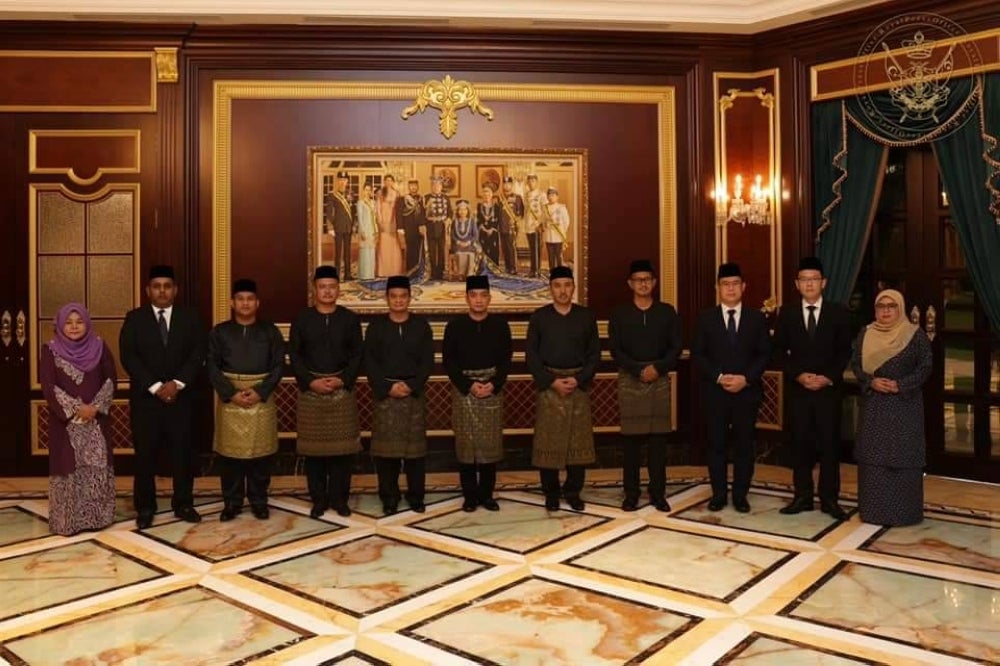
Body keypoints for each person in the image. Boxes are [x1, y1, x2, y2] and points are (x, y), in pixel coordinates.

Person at [120, 265, 207, 529]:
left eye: (167, 286)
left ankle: (183, 503)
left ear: (175, 290)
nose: (162, 291)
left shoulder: (190, 318)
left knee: (183, 453)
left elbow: (198, 353)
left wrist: (177, 384)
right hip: (147, 401)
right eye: (156, 286)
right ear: (148, 290)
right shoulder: (135, 318)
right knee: (145, 455)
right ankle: (145, 507)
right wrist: (157, 386)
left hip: (182, 399)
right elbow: (129, 357)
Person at [772, 257, 853, 520]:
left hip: (828, 391)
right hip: (799, 392)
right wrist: (798, 376)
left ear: (824, 283)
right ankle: (802, 497)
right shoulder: (787, 313)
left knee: (830, 446)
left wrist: (827, 377)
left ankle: (829, 500)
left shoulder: (839, 312)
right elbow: (778, 352)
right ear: (797, 284)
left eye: (814, 279)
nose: (809, 284)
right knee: (800, 445)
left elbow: (845, 351)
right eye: (804, 280)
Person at [691, 262, 770, 513]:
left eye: (736, 284)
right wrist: (719, 377)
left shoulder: (756, 318)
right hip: (716, 393)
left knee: (745, 446)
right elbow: (698, 355)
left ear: (743, 287)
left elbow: (764, 354)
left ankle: (740, 495)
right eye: (726, 284)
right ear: (718, 288)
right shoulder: (705, 318)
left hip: (747, 393)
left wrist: (745, 379)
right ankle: (719, 494)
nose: (731, 288)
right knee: (716, 445)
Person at [851, 289, 932, 526]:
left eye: (891, 306)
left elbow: (926, 368)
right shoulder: (866, 333)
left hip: (904, 407)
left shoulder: (915, 335)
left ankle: (904, 513)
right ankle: (874, 512)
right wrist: (871, 381)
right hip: (875, 406)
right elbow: (856, 364)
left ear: (900, 308)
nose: (885, 311)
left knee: (903, 457)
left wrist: (901, 385)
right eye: (880, 306)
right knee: (874, 457)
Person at [288, 266, 363, 518]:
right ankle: (318, 500)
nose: (327, 291)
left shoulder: (349, 319)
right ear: (315, 289)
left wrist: (342, 380)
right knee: (315, 453)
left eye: (332, 286)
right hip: (312, 392)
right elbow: (295, 356)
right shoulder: (302, 319)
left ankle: (340, 500)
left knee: (343, 453)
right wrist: (311, 382)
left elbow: (357, 356)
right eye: (322, 286)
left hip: (342, 390)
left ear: (338, 290)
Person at [207, 279, 285, 521]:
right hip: (231, 399)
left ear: (257, 303)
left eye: (250, 299)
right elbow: (211, 365)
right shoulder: (219, 332)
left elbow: (279, 365)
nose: (245, 303)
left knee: (260, 457)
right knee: (230, 458)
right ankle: (231, 503)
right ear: (232, 303)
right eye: (240, 299)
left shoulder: (270, 331)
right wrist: (231, 393)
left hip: (261, 397)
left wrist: (260, 391)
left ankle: (259, 501)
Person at [608, 260, 682, 512]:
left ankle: (657, 493)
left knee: (658, 442)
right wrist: (637, 369)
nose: (643, 284)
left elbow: (676, 348)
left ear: (654, 283)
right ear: (630, 283)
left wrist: (657, 368)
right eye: (638, 280)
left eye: (647, 279)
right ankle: (631, 494)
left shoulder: (666, 311)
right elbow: (615, 350)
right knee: (631, 443)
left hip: (659, 379)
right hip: (630, 379)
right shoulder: (619, 313)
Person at [39, 303, 117, 536]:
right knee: (67, 465)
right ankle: (68, 521)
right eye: (68, 322)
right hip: (66, 423)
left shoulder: (100, 346)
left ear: (87, 323)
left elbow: (111, 379)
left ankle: (97, 517)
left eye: (79, 321)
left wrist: (94, 407)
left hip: (96, 419)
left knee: (97, 463)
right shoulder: (50, 349)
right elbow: (48, 385)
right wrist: (75, 408)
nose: (74, 327)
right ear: (60, 325)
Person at [526, 266, 599, 511]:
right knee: (549, 441)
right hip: (550, 386)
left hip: (578, 385)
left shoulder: (586, 317)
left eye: (567, 285)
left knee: (578, 442)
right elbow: (532, 357)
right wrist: (552, 381)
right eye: (557, 285)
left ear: (573, 288)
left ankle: (573, 491)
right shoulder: (539, 317)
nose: (563, 290)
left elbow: (594, 355)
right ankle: (551, 493)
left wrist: (578, 379)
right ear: (551, 289)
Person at [364, 275, 434, 514]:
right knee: (386, 454)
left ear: (409, 298)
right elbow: (369, 361)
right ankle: (389, 497)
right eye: (393, 296)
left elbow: (427, 361)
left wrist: (412, 386)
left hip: (413, 394)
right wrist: (387, 387)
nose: (398, 300)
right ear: (387, 299)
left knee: (415, 454)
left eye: (402, 296)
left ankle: (416, 497)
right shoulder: (376, 327)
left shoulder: (421, 326)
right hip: (385, 395)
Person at [443, 275, 513, 512]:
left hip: (492, 389)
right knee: (466, 445)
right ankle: (470, 496)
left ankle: (487, 495)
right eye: (474, 295)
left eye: (483, 295)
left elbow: (506, 360)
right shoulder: (455, 326)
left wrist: (493, 383)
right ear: (466, 298)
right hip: (465, 391)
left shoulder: (500, 326)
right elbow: (449, 362)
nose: (479, 300)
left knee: (489, 444)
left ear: (490, 299)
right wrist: (469, 385)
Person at [326, 170, 355, 281]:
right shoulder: (332, 195)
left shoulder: (351, 194)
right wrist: (330, 227)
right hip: (337, 227)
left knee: (348, 252)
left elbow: (353, 211)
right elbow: (329, 211)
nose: (343, 182)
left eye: (345, 180)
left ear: (347, 181)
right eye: (341, 180)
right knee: (338, 253)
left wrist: (354, 225)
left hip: (348, 227)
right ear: (338, 181)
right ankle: (336, 275)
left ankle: (347, 275)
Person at [424, 176, 452, 280]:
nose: (436, 187)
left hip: (441, 227)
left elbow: (450, 212)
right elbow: (422, 214)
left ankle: (440, 274)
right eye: (434, 185)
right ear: (431, 187)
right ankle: (432, 273)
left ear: (441, 187)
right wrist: (422, 225)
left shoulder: (446, 198)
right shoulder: (426, 197)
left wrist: (449, 219)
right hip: (430, 226)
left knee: (441, 250)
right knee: (431, 251)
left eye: (438, 185)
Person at [376, 175, 403, 277]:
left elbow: (399, 210)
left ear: (393, 182)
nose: (388, 182)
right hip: (384, 222)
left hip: (394, 222)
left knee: (394, 247)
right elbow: (378, 208)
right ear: (384, 181)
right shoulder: (380, 193)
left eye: (390, 180)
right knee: (383, 247)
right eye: (386, 180)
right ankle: (383, 271)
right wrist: (380, 221)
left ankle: (395, 271)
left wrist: (398, 224)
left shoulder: (397, 194)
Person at [397, 178, 425, 274]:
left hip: (419, 229)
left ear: (417, 187)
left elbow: (423, 214)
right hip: (408, 228)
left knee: (419, 251)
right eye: (411, 186)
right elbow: (399, 214)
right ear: (408, 187)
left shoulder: (421, 199)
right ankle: (410, 272)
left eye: (415, 186)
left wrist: (423, 225)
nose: (413, 187)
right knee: (410, 251)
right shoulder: (403, 199)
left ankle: (419, 271)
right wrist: (400, 228)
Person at [498, 176, 524, 274]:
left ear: (511, 185)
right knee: (504, 248)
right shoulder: (500, 198)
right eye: (504, 183)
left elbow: (521, 213)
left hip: (511, 227)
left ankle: (513, 268)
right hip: (502, 227)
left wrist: (515, 220)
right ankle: (507, 267)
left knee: (511, 248)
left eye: (508, 184)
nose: (506, 185)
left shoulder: (517, 197)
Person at [542, 186, 570, 270]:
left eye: (553, 195)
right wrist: (544, 225)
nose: (551, 197)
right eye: (549, 195)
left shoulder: (561, 208)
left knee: (558, 256)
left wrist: (562, 232)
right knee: (550, 257)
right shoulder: (545, 208)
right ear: (547, 197)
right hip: (549, 236)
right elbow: (543, 220)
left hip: (558, 237)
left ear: (557, 197)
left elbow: (566, 221)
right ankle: (552, 273)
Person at [523, 174, 545, 277]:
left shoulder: (541, 195)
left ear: (537, 182)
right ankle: (532, 269)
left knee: (537, 249)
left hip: (536, 225)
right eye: (529, 181)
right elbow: (526, 210)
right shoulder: (526, 195)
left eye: (533, 181)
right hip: (528, 225)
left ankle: (537, 270)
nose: (531, 183)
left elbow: (545, 211)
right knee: (531, 249)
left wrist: (539, 222)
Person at [451, 199, 479, 277]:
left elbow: (476, 235)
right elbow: (452, 235)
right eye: (460, 210)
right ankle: (461, 274)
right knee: (459, 254)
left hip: (469, 244)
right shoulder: (455, 222)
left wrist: (468, 242)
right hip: (458, 244)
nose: (462, 212)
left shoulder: (472, 221)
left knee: (470, 254)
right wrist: (458, 242)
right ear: (457, 211)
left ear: (467, 211)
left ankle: (469, 274)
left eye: (464, 210)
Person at [356, 182, 378, 280]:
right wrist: (362, 231)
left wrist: (376, 230)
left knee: (372, 252)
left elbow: (375, 217)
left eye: (369, 190)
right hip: (365, 229)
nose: (367, 191)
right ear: (363, 190)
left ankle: (370, 274)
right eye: (366, 189)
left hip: (372, 229)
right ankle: (364, 274)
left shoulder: (373, 202)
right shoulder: (360, 203)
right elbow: (360, 218)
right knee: (364, 252)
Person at [477, 184, 502, 267]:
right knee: (483, 251)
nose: (486, 195)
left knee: (493, 251)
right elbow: (478, 220)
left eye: (488, 193)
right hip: (482, 232)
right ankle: (483, 270)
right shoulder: (479, 206)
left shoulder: (496, 206)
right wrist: (483, 228)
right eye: (484, 193)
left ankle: (494, 271)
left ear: (492, 195)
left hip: (493, 231)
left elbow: (499, 220)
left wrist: (492, 229)